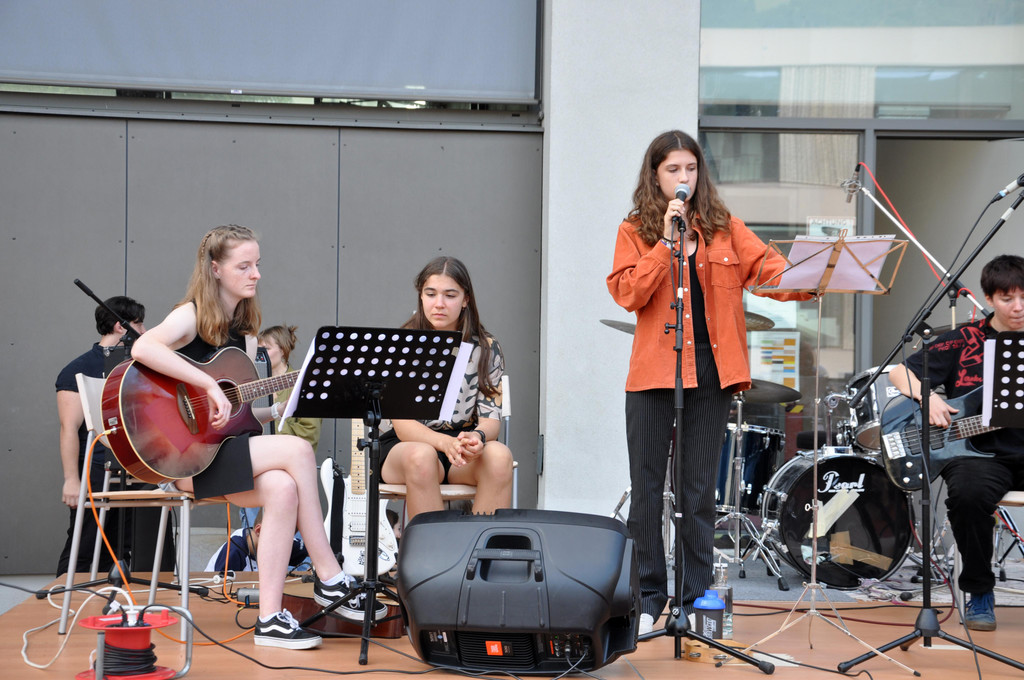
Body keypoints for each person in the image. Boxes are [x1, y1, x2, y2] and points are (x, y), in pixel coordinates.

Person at [130, 224, 381, 650]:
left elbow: (237, 415)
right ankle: (329, 574)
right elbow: (143, 348)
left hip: (222, 452)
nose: (256, 274)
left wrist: (278, 409)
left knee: (283, 488)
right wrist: (207, 385)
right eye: (244, 266)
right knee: (297, 449)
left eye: (257, 264)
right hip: (185, 459)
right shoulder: (190, 315)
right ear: (215, 269)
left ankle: (269, 619)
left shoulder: (245, 333)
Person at [606, 130, 810, 636]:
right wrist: (664, 244)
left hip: (712, 373)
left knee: (697, 491)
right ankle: (649, 596)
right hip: (654, 372)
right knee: (646, 490)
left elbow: (771, 272)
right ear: (656, 175)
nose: (684, 178)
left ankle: (695, 597)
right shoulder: (635, 229)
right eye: (673, 169)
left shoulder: (726, 228)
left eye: (691, 169)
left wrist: (816, 275)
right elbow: (628, 293)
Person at [888, 254, 1024, 631]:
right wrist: (927, 396)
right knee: (967, 495)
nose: (1018, 307)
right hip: (979, 456)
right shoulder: (964, 340)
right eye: (1007, 298)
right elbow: (900, 373)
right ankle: (980, 590)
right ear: (989, 298)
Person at [379, 256, 514, 520]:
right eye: (431, 294)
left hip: (460, 445)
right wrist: (444, 443)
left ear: (465, 299)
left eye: (450, 295)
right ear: (421, 296)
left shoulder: (487, 347)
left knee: (499, 456)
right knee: (422, 457)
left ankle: (478, 545)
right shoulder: (403, 344)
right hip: (406, 445)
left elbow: (491, 419)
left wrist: (478, 438)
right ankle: (431, 547)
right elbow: (403, 425)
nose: (439, 303)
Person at [55, 296, 147, 576]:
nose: (144, 330)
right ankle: (65, 596)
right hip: (96, 470)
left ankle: (118, 598)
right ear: (121, 327)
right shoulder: (77, 370)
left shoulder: (141, 364)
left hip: (136, 468)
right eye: (139, 324)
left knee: (128, 547)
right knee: (85, 543)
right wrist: (72, 480)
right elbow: (69, 428)